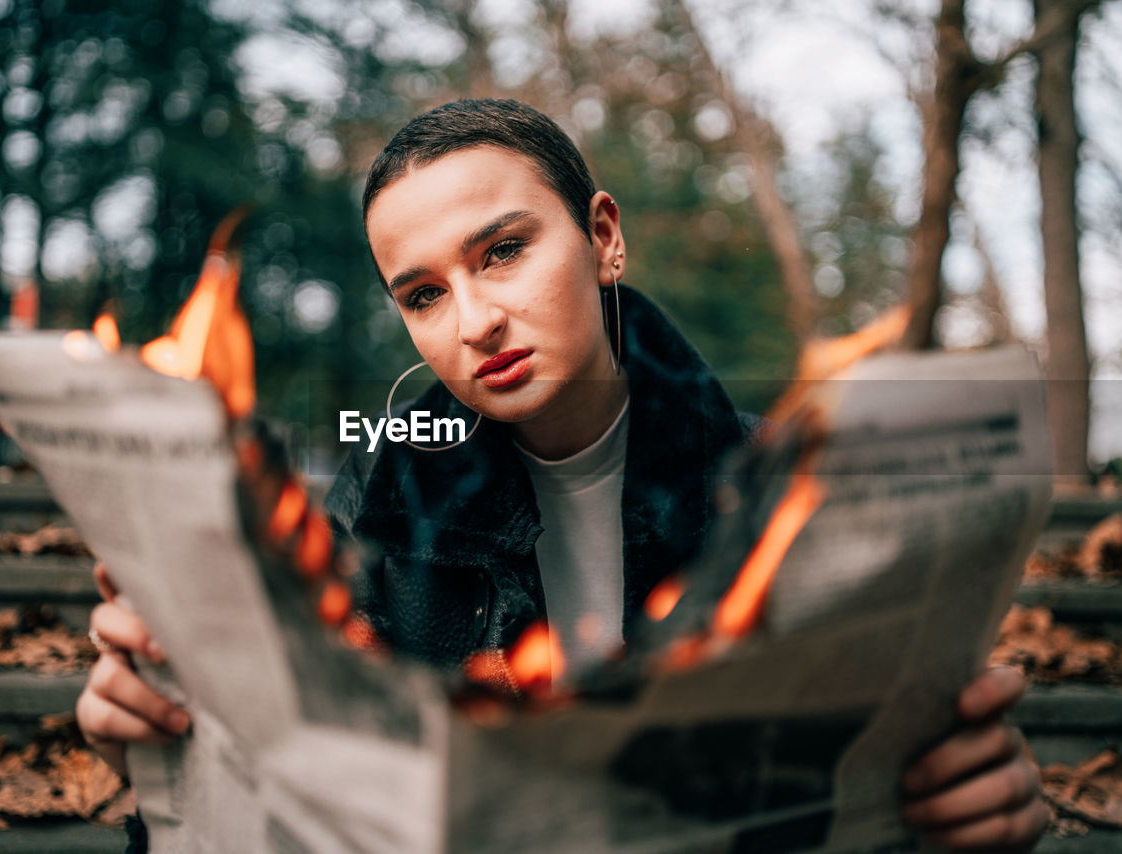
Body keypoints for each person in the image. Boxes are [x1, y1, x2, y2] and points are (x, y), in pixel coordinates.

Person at [77, 99, 1049, 852]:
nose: (473, 321)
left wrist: (970, 809)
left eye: (501, 251)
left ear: (603, 237)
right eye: (422, 294)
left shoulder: (783, 492)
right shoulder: (374, 511)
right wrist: (169, 743)